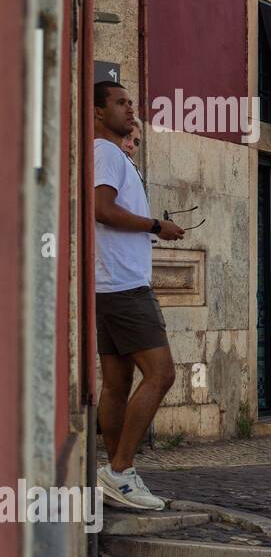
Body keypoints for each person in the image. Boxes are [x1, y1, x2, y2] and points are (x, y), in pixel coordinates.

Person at [93, 81, 184, 511]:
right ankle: (120, 471)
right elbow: (102, 210)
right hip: (126, 287)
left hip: (109, 285)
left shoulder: (114, 155)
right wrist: (154, 226)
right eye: (120, 103)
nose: (131, 109)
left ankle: (117, 472)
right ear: (97, 112)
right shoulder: (106, 153)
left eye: (132, 102)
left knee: (116, 384)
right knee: (161, 374)